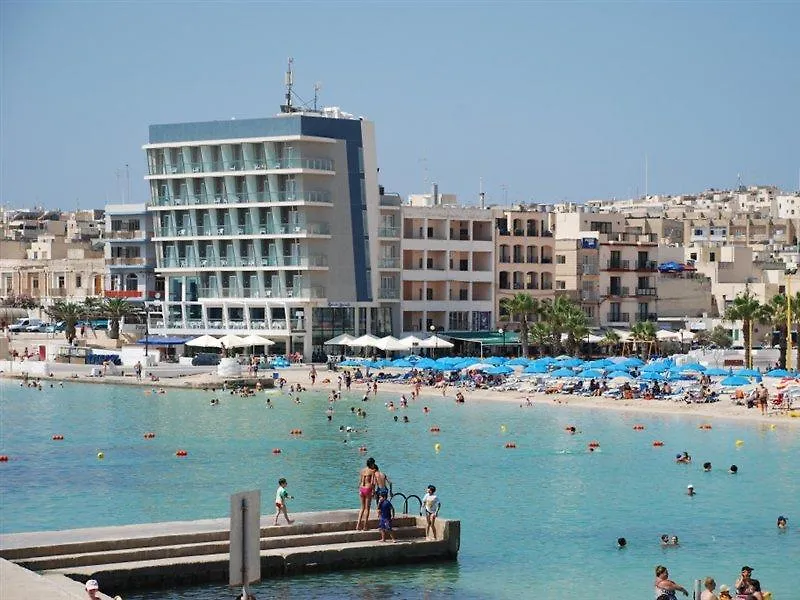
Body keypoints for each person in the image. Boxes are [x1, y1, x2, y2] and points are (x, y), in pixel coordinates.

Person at [356, 457, 376, 530]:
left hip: (361, 488)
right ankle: (365, 526)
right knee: (367, 508)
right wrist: (373, 491)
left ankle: (358, 525)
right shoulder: (372, 471)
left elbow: (360, 481)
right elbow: (373, 483)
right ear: (372, 464)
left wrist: (359, 489)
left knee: (362, 508)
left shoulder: (362, 470)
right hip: (368, 489)